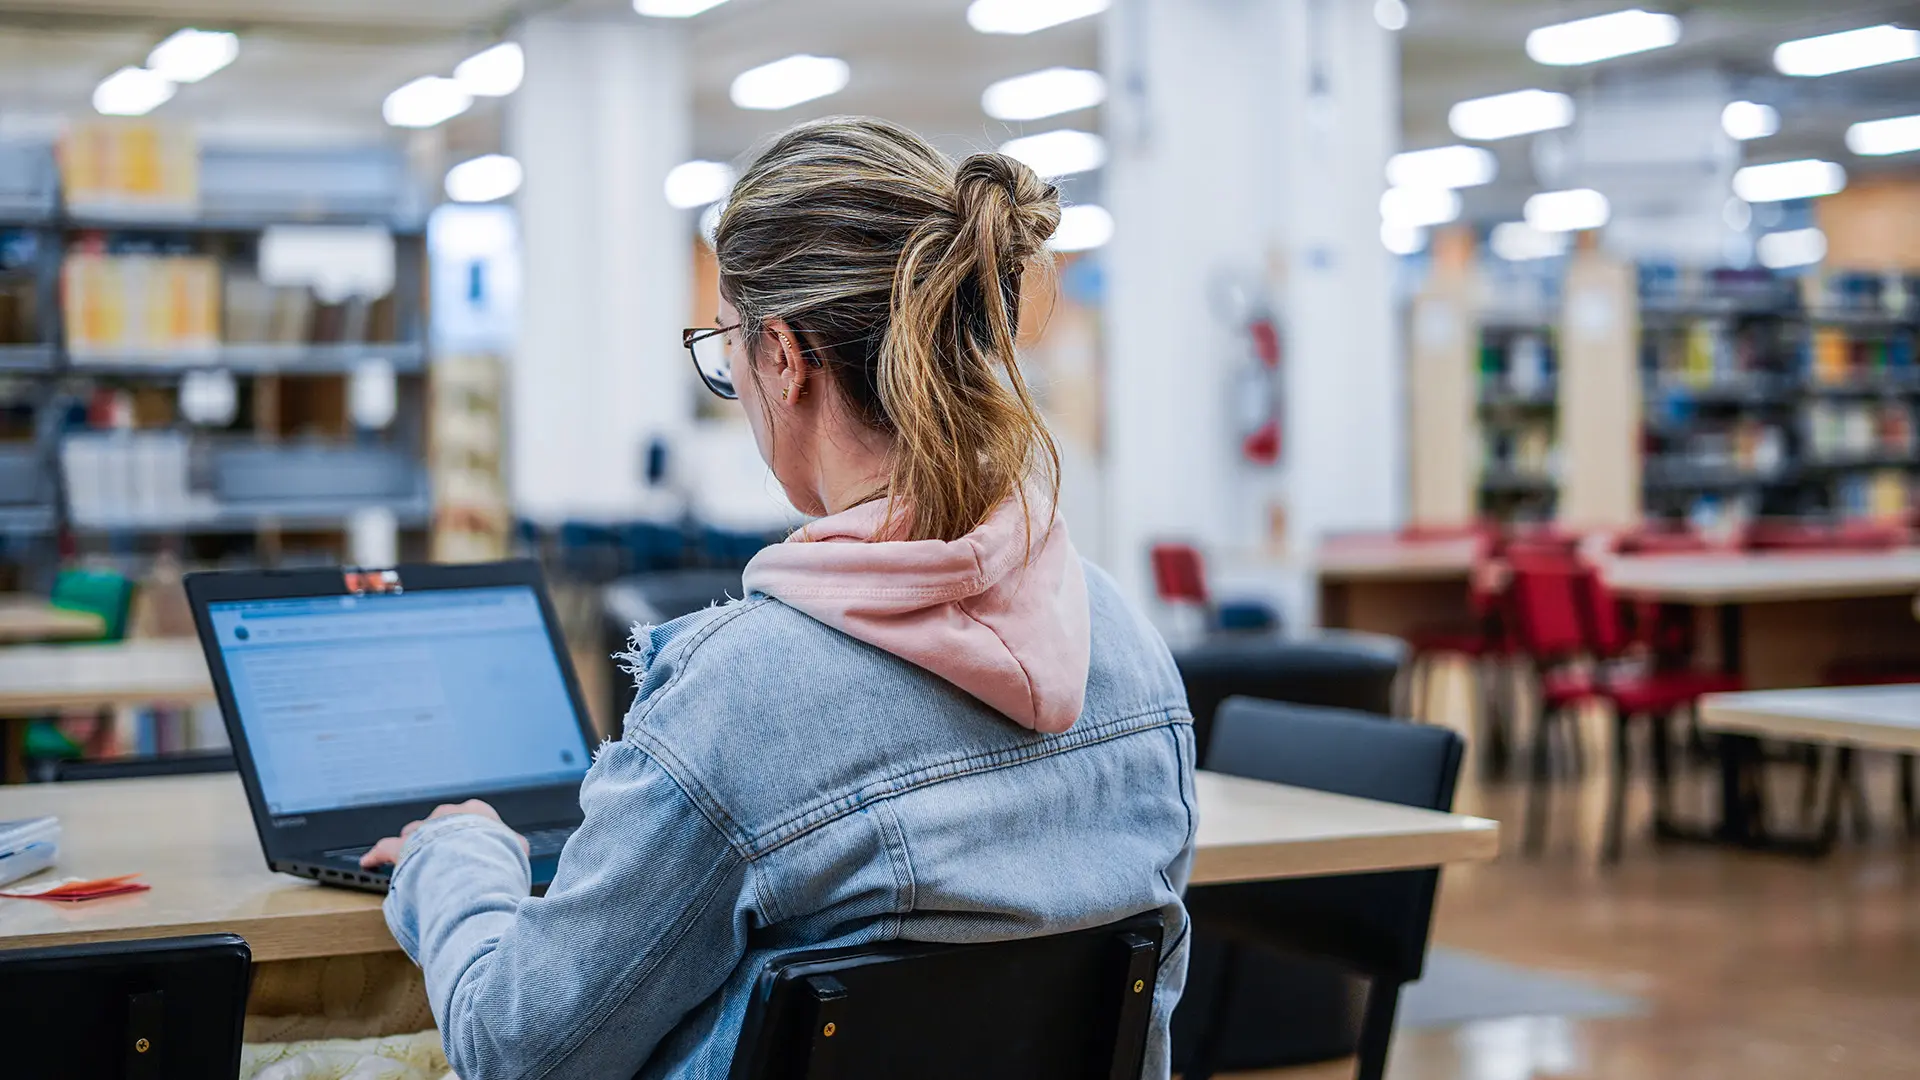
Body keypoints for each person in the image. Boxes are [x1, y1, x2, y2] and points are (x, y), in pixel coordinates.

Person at [363, 116, 1196, 1079]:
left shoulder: (741, 702)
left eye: (728, 349)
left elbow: (516, 1049)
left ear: (784, 360)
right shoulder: (1126, 647)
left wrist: (458, 859)